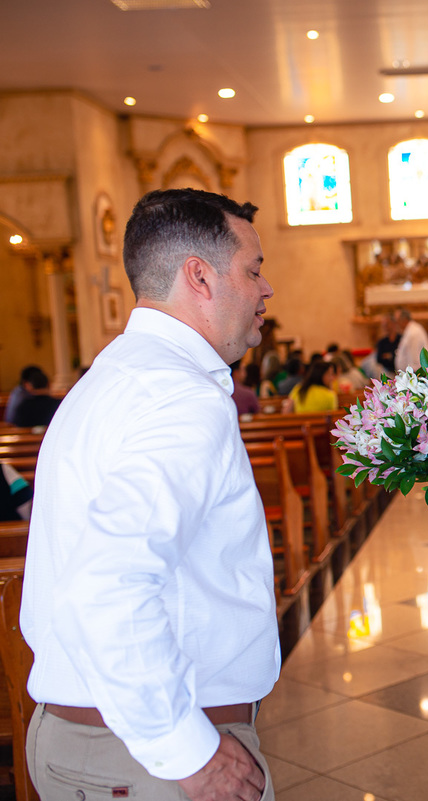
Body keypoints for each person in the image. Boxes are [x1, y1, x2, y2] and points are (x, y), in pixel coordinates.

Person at [21, 188, 279, 801]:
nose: (266, 290)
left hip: (95, 742)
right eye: (254, 270)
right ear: (200, 276)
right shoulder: (180, 397)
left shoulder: (110, 378)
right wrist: (190, 753)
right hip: (145, 760)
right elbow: (106, 583)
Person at [394, 307, 428, 373]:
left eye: (398, 321)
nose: (397, 324)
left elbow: (414, 358)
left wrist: (412, 374)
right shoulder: (409, 330)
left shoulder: (414, 332)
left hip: (414, 374)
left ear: (404, 319)